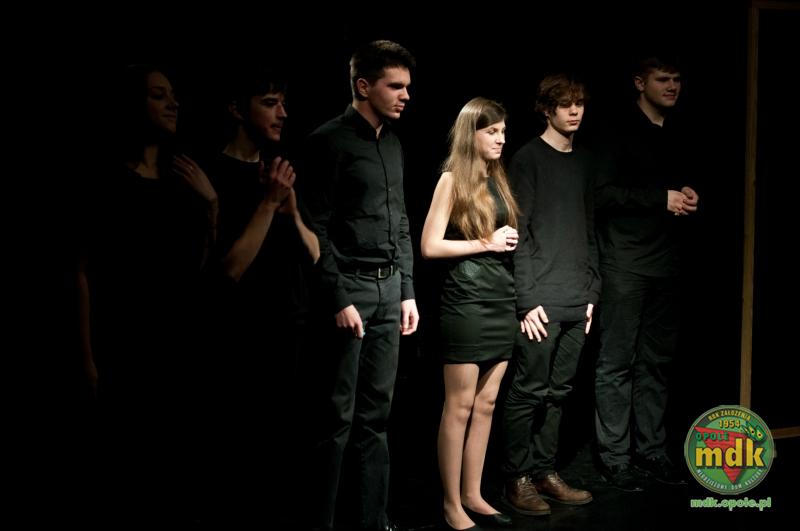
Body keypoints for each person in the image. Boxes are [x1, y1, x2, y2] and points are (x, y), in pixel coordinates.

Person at [76, 64, 218, 521]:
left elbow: (200, 270)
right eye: (159, 95)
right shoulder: (106, 181)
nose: (173, 103)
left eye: (173, 94)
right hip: (122, 343)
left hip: (173, 346)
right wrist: (86, 356)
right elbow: (81, 271)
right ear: (132, 105)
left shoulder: (182, 178)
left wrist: (211, 204)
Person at [300, 40, 419, 531]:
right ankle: (320, 523)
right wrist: (338, 297)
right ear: (364, 86)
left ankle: (373, 520)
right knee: (336, 420)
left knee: (377, 416)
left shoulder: (392, 142)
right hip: (349, 289)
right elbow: (314, 227)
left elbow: (401, 221)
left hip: (389, 291)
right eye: (396, 86)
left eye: (408, 86)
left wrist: (407, 290)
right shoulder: (328, 141)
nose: (406, 95)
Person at [198, 67, 319, 521]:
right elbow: (228, 270)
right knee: (239, 459)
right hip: (239, 336)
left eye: (283, 103)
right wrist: (268, 203)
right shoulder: (211, 174)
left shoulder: (279, 171)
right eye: (270, 103)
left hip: (288, 327)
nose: (282, 113)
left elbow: (315, 252)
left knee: (283, 459)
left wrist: (290, 212)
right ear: (236, 109)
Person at [594, 54, 698, 490]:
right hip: (626, 261)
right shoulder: (617, 131)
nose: (672, 86)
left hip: (667, 261)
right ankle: (615, 457)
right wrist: (660, 198)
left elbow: (677, 184)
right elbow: (602, 193)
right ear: (640, 83)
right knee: (617, 360)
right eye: (663, 79)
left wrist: (686, 193)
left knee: (656, 362)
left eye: (677, 79)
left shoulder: (677, 131)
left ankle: (651, 450)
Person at [501, 74, 598, 515]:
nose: (574, 111)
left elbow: (590, 229)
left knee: (559, 392)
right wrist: (526, 300)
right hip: (540, 299)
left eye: (579, 103)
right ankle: (516, 478)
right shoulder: (527, 159)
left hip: (578, 296)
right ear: (546, 109)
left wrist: (592, 291)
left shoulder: (584, 161)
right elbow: (518, 232)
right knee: (528, 391)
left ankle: (544, 471)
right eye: (564, 104)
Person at [421, 97, 518, 531]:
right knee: (459, 405)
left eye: (502, 131)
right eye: (491, 131)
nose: (500, 139)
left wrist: (503, 242)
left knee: (487, 403)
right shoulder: (451, 180)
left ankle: (473, 494)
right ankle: (450, 504)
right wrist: (486, 243)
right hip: (466, 300)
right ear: (471, 134)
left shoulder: (497, 179)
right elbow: (429, 246)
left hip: (499, 296)